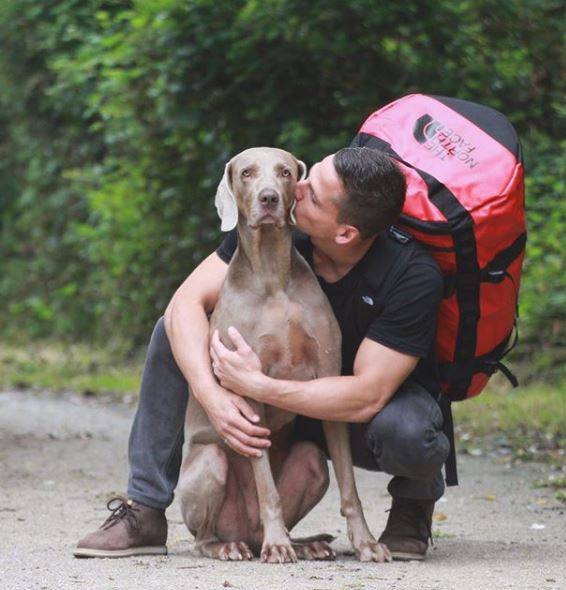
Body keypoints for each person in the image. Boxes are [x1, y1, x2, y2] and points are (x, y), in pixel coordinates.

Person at [75, 147, 449, 561]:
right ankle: (144, 507)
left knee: (409, 430)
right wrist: (213, 396)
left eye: (308, 190)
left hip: (363, 413)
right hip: (291, 414)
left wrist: (259, 385)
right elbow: (183, 305)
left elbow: (368, 395)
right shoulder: (273, 228)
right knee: (171, 331)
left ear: (344, 232)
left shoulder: (412, 276)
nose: (289, 191)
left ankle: (412, 508)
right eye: (307, 176)